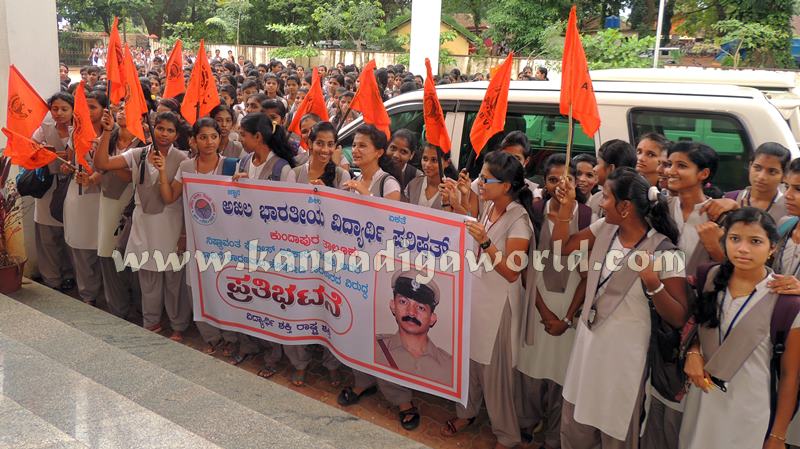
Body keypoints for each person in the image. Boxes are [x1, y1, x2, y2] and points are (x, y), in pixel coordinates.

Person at [553, 167, 687, 449]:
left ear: (625, 207)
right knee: (577, 421)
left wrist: (653, 283)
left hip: (625, 359)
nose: (601, 203)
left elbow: (677, 316)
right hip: (588, 348)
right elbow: (563, 249)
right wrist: (566, 211)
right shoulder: (606, 228)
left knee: (615, 425)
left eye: (606, 197)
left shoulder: (666, 251)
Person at [681, 207, 800, 449]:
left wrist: (778, 435)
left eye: (755, 241)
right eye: (735, 239)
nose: (743, 249)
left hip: (749, 413)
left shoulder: (787, 301)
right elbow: (699, 324)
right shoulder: (710, 277)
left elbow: (791, 376)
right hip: (700, 403)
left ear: (772, 248)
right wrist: (693, 352)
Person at [440, 151, 535, 449]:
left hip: (499, 305)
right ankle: (466, 412)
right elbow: (474, 232)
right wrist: (458, 203)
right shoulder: (491, 206)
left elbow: (510, 272)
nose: (480, 182)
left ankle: (506, 435)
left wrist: (485, 242)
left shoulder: (519, 220)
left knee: (494, 375)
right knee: (469, 361)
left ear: (506, 185)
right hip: (478, 296)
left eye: (486, 179)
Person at [93, 111, 190, 341]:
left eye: (170, 130)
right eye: (160, 128)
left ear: (177, 134)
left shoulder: (183, 160)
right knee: (148, 277)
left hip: (171, 224)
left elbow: (175, 198)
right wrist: (107, 132)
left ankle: (178, 325)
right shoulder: (138, 154)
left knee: (173, 278)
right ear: (151, 129)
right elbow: (102, 163)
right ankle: (151, 322)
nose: (164, 134)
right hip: (144, 224)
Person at [517, 154, 590, 449]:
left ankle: (553, 436)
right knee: (530, 371)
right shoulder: (533, 212)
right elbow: (523, 268)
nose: (560, 185)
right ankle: (525, 423)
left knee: (562, 376)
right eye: (553, 180)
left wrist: (567, 318)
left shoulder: (586, 217)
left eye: (567, 180)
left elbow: (588, 274)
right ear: (544, 183)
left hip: (569, 304)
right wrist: (545, 313)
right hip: (537, 303)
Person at [156, 117, 238, 349]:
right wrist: (162, 172)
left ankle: (231, 338)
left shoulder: (231, 166)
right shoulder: (186, 167)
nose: (209, 142)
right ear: (193, 141)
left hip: (224, 241)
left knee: (224, 287)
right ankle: (211, 337)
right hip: (196, 239)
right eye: (203, 137)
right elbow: (170, 197)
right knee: (197, 288)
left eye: (213, 136)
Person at [371, 270, 453, 429]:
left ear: (432, 318)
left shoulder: (448, 364)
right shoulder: (377, 347)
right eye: (403, 302)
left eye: (421, 307)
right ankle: (403, 403)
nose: (411, 312)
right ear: (392, 306)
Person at [62, 90, 107, 306]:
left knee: (104, 247)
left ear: (104, 110)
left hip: (104, 197)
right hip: (78, 196)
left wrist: (94, 178)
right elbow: (71, 162)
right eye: (85, 107)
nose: (88, 112)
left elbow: (112, 167)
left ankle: (109, 293)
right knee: (81, 246)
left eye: (93, 107)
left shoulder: (111, 134)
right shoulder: (75, 132)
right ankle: (87, 294)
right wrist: (69, 169)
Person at [96, 107, 140, 320]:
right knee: (107, 254)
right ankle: (118, 307)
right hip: (108, 201)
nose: (123, 111)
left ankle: (139, 306)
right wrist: (105, 135)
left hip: (130, 205)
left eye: (128, 108)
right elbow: (99, 164)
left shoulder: (144, 144)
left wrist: (110, 164)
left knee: (128, 256)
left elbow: (128, 176)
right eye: (120, 108)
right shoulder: (109, 137)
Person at [32, 92, 76, 293]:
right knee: (47, 236)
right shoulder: (43, 129)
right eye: (55, 109)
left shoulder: (80, 130)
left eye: (64, 109)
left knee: (70, 233)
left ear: (73, 110)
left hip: (72, 187)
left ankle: (70, 275)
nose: (59, 113)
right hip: (49, 185)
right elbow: (31, 154)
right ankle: (51, 279)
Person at [701, 142, 790, 225]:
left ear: (784, 175)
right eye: (757, 168)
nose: (761, 176)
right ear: (750, 165)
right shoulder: (730, 199)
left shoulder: (789, 208)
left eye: (772, 172)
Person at [341, 124, 402, 200]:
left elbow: (388, 211)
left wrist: (363, 191)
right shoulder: (355, 181)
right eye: (354, 145)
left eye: (362, 146)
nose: (354, 150)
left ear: (379, 153)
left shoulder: (389, 184)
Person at [588, 139, 637, 221]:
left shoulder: (632, 205)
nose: (594, 169)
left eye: (598, 163)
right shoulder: (596, 198)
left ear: (611, 169)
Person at [404, 144, 455, 209]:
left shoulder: (452, 190)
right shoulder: (413, 184)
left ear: (447, 162)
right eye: (425, 159)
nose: (427, 164)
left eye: (434, 160)